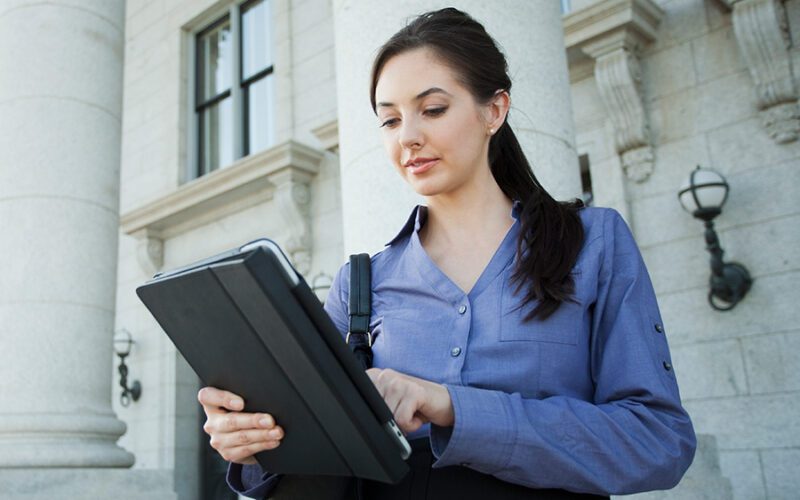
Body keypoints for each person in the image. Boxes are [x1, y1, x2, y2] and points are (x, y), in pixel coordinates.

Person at [198, 7, 696, 499]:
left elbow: (657, 441)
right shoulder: (361, 282)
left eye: (433, 109)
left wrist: (450, 406)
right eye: (390, 120)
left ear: (494, 110)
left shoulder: (593, 241)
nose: (408, 138)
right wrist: (251, 441)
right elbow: (316, 439)